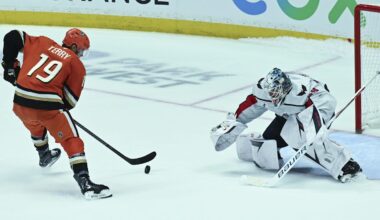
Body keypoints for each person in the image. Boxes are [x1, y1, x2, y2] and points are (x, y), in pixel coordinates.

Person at [1, 28, 112, 199]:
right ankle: (85, 182)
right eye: (82, 50)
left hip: (20, 101)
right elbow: (69, 102)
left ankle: (43, 153)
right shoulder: (76, 65)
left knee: (34, 122)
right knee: (71, 139)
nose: (81, 55)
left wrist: (9, 66)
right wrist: (55, 104)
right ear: (74, 47)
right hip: (47, 107)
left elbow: (13, 36)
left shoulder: (43, 43)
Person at [210, 68, 363, 183]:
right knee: (266, 149)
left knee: (301, 138)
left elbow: (311, 114)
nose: (274, 97)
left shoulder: (299, 95)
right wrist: (232, 125)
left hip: (320, 105)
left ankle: (345, 165)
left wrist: (311, 134)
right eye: (272, 93)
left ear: (287, 88)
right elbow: (249, 108)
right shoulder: (263, 90)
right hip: (289, 114)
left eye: (278, 92)